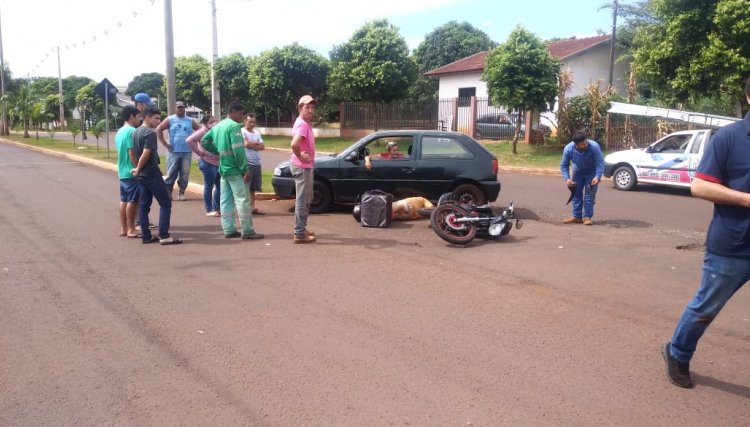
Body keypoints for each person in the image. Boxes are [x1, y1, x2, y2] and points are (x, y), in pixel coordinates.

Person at [662, 77, 750, 389]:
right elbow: (699, 185)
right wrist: (746, 199)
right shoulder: (729, 138)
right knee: (706, 307)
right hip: (733, 244)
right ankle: (678, 353)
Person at [201, 101, 264, 240]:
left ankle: (229, 229)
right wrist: (244, 169)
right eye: (241, 114)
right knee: (242, 200)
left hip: (223, 168)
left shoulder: (219, 126)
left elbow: (204, 141)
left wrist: (218, 152)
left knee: (226, 200)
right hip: (235, 169)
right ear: (234, 111)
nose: (242, 117)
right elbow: (239, 150)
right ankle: (247, 231)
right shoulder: (235, 126)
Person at [131, 107, 181, 245]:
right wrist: (138, 168)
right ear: (146, 117)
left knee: (144, 206)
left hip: (142, 175)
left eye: (159, 119)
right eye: (156, 118)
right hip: (151, 174)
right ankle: (164, 236)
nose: (158, 122)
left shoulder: (136, 132)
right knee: (165, 203)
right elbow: (146, 154)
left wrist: (137, 169)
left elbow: (134, 153)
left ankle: (146, 236)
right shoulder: (149, 133)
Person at [156, 101, 200, 201]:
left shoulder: (190, 120)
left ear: (184, 108)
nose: (181, 109)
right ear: (175, 108)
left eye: (182, 107)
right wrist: (165, 143)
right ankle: (168, 192)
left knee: (185, 173)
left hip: (187, 151)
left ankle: (181, 192)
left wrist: (196, 141)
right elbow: (159, 129)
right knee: (171, 172)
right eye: (179, 108)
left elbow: (200, 129)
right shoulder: (170, 119)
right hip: (173, 151)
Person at [560, 132, 605, 225]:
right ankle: (577, 217)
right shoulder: (568, 149)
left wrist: (597, 176)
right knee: (576, 194)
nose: (585, 144)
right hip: (577, 173)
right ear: (576, 145)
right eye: (583, 144)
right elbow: (564, 165)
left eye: (586, 142)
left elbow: (600, 163)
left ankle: (587, 217)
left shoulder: (594, 147)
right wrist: (567, 179)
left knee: (589, 195)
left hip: (591, 174)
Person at [290, 95, 317, 243]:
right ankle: (299, 233)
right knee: (302, 200)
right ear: (300, 108)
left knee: (307, 199)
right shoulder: (302, 124)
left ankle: (301, 228)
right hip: (302, 167)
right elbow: (294, 144)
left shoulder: (304, 122)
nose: (311, 110)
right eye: (307, 107)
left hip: (305, 166)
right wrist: (301, 157)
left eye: (312, 107)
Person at [186, 115, 220, 217]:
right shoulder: (202, 132)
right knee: (209, 186)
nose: (214, 123)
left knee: (219, 186)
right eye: (211, 121)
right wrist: (199, 153)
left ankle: (216, 208)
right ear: (205, 123)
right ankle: (209, 209)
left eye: (215, 121)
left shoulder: (214, 131)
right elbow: (189, 140)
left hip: (217, 162)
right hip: (207, 162)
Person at [116, 105, 142, 238]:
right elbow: (132, 152)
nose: (140, 120)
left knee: (124, 200)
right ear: (131, 116)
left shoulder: (120, 131)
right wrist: (138, 168)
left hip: (122, 170)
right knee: (133, 201)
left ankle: (124, 228)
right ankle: (131, 229)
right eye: (138, 117)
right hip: (130, 171)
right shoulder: (132, 131)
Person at [241, 113, 265, 215]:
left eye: (253, 122)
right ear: (245, 121)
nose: (252, 124)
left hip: (256, 163)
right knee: (245, 186)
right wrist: (255, 144)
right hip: (247, 163)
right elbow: (245, 144)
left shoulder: (257, 133)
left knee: (253, 188)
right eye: (249, 121)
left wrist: (251, 144)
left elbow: (263, 146)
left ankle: (252, 207)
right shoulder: (242, 131)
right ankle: (243, 209)